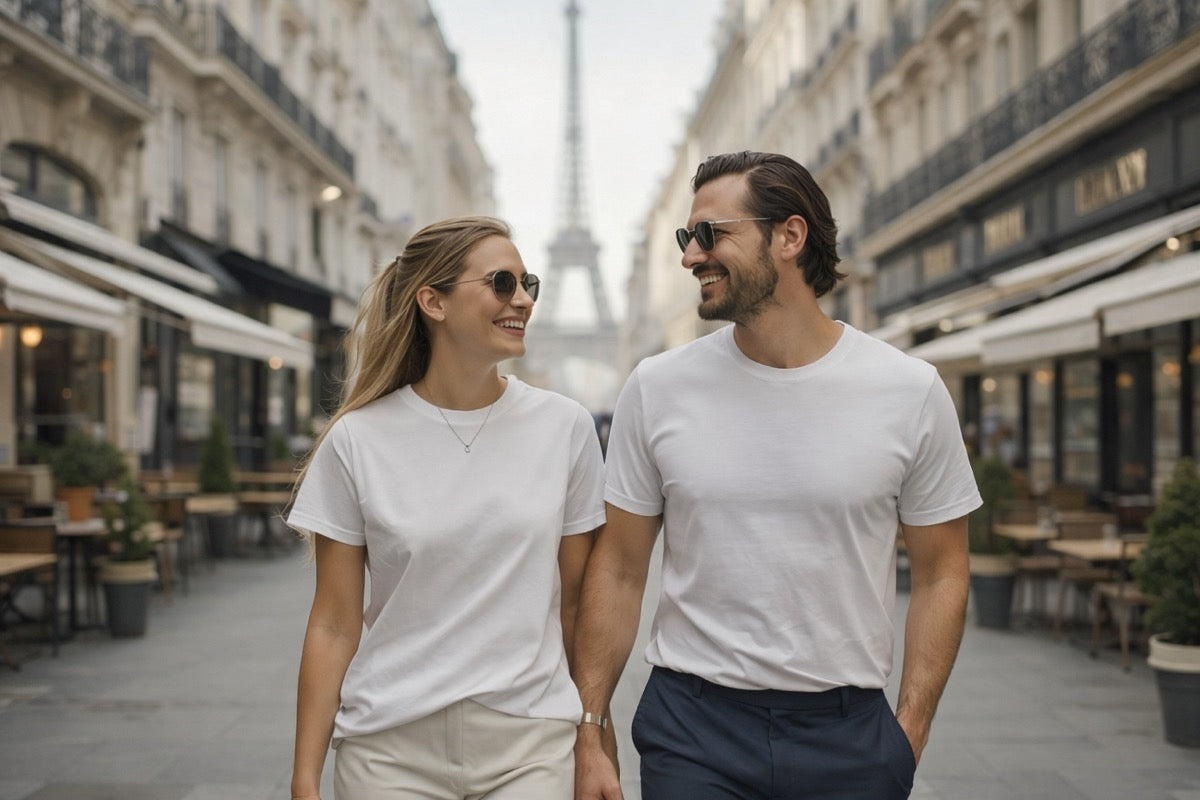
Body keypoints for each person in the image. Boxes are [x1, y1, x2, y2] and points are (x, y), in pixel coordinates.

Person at [571, 152, 982, 800]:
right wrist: (590, 728)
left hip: (850, 735)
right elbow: (620, 568)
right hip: (692, 729)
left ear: (789, 236)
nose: (690, 257)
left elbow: (943, 570)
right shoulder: (657, 387)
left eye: (710, 235)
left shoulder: (909, 390)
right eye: (686, 237)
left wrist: (910, 730)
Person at [287, 216, 610, 800]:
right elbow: (333, 623)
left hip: (530, 746)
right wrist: (304, 777)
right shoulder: (357, 440)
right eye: (501, 283)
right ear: (431, 301)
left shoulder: (565, 428)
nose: (523, 300)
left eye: (528, 283)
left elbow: (576, 607)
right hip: (388, 748)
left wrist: (594, 736)